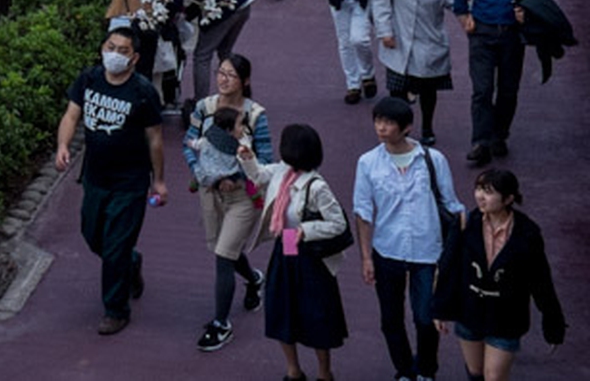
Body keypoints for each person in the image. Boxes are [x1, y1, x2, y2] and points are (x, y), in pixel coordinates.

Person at [56, 25, 168, 335]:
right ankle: (131, 263)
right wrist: (63, 146)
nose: (114, 55)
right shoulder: (89, 80)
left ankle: (116, 310)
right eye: (111, 47)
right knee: (93, 236)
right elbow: (71, 115)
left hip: (130, 182)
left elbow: (155, 140)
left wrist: (158, 181)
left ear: (134, 58)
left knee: (115, 247)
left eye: (123, 51)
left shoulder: (143, 92)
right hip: (95, 177)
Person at [353, 96, 464, 381]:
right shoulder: (367, 163)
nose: (381, 127)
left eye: (388, 122)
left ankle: (426, 370)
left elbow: (452, 205)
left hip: (428, 252)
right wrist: (366, 257)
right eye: (378, 120)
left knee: (425, 318)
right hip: (386, 250)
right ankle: (404, 370)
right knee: (390, 320)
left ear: (406, 127)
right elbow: (363, 213)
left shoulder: (432, 159)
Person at [434, 167, 568, 380]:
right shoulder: (465, 223)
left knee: (494, 376)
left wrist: (553, 323)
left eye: (488, 191)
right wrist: (440, 308)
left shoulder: (527, 233)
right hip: (470, 312)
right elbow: (448, 266)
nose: (480, 196)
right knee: (476, 372)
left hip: (507, 317)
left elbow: (540, 280)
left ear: (508, 199)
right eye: (478, 189)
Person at [239, 123, 348, 381]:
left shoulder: (317, 186)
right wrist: (247, 158)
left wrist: (306, 230)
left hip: (310, 252)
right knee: (282, 306)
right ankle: (293, 370)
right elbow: (259, 176)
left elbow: (338, 223)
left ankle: (324, 373)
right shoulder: (282, 171)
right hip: (287, 242)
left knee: (317, 312)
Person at [183, 54, 273, 352]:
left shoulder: (256, 115)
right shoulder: (203, 108)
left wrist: (237, 176)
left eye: (230, 75)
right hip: (211, 192)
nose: (222, 79)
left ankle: (221, 324)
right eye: (220, 73)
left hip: (242, 198)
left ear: (245, 81)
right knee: (225, 249)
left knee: (223, 255)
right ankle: (254, 279)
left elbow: (267, 159)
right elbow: (189, 145)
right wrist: (204, 175)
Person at [452, 0, 545, 166]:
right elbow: (459, 3)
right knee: (482, 89)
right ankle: (480, 141)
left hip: (512, 34)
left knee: (508, 89)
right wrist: (465, 20)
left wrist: (526, 10)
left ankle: (499, 134)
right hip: (482, 34)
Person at [371, 0, 456, 145]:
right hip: (398, 42)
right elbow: (380, 1)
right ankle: (399, 128)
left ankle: (427, 126)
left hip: (429, 41)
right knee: (397, 89)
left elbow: (456, 1)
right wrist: (384, 31)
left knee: (428, 89)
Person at [159, 0, 254, 105]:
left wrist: (168, 17)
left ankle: (200, 101)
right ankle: (239, 95)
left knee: (202, 55)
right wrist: (188, 14)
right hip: (243, 2)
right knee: (225, 52)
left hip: (223, 8)